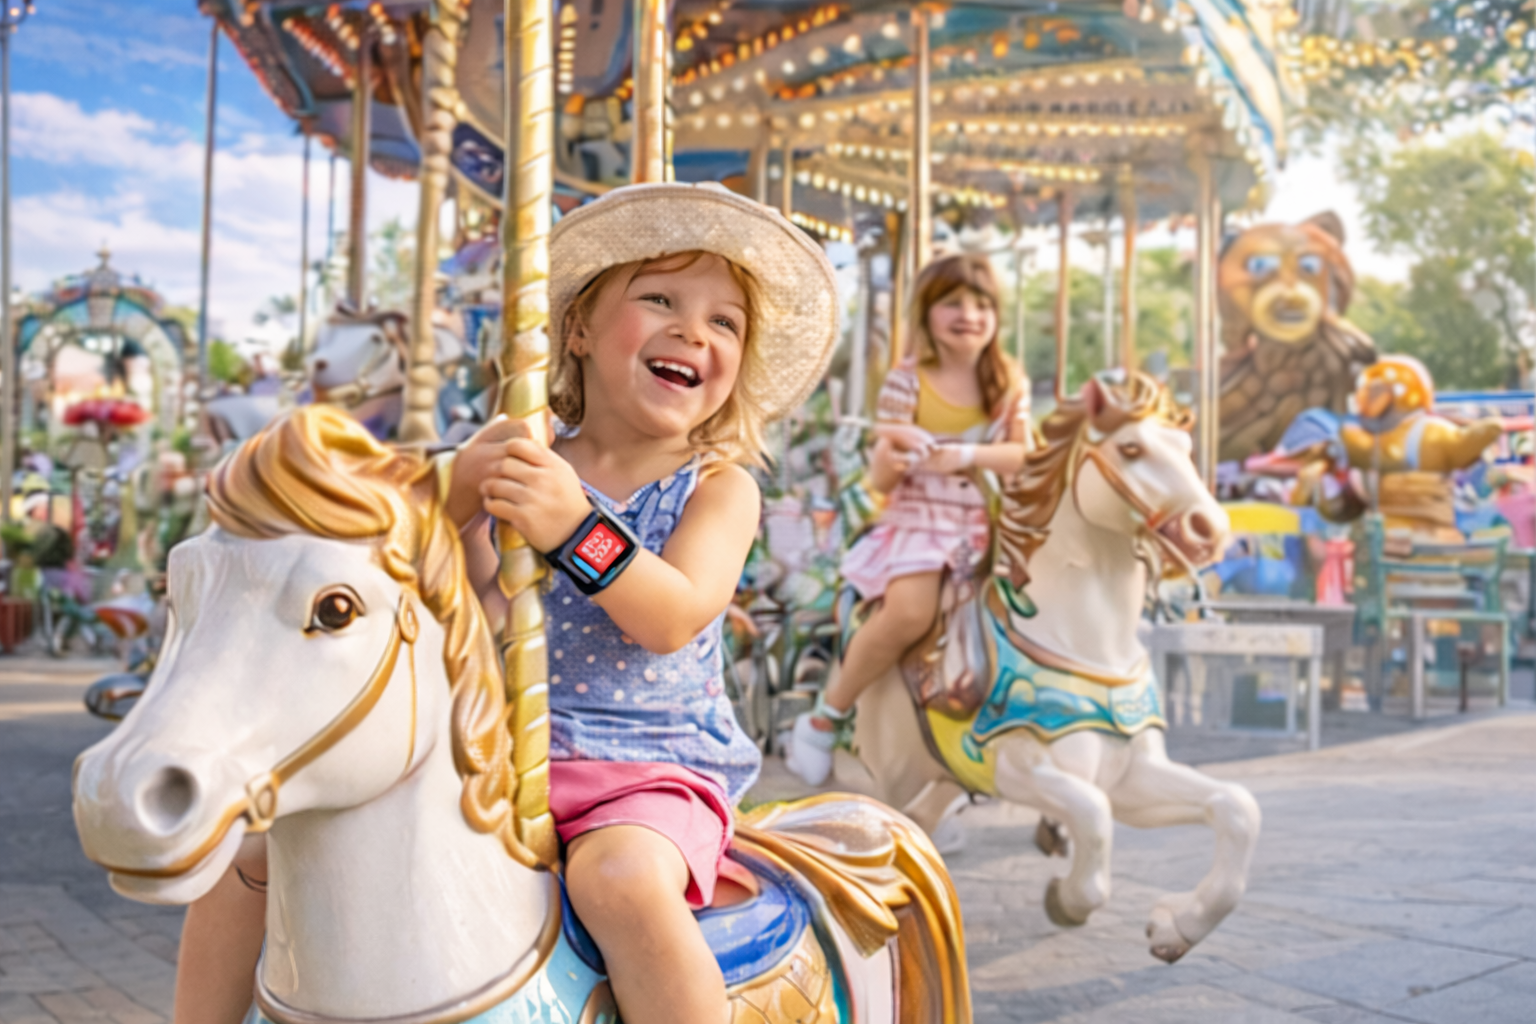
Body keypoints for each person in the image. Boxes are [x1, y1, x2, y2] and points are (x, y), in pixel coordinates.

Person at [165, 182, 839, 1024]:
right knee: (255, 853)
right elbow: (462, 599)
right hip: (485, 749)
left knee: (620, 881)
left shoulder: (716, 489)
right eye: (660, 299)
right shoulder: (524, 455)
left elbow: (672, 616)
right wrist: (455, 496)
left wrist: (571, 524)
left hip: (647, 768)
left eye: (724, 322)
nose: (692, 331)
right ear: (580, 330)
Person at [785, 253, 1033, 787]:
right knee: (910, 613)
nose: (969, 313)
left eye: (981, 303)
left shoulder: (1007, 380)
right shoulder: (908, 379)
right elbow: (883, 466)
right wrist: (895, 457)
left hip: (984, 522)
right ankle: (827, 714)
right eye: (953, 303)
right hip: (921, 520)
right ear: (927, 312)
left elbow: (1022, 454)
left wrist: (964, 457)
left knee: (1036, 611)